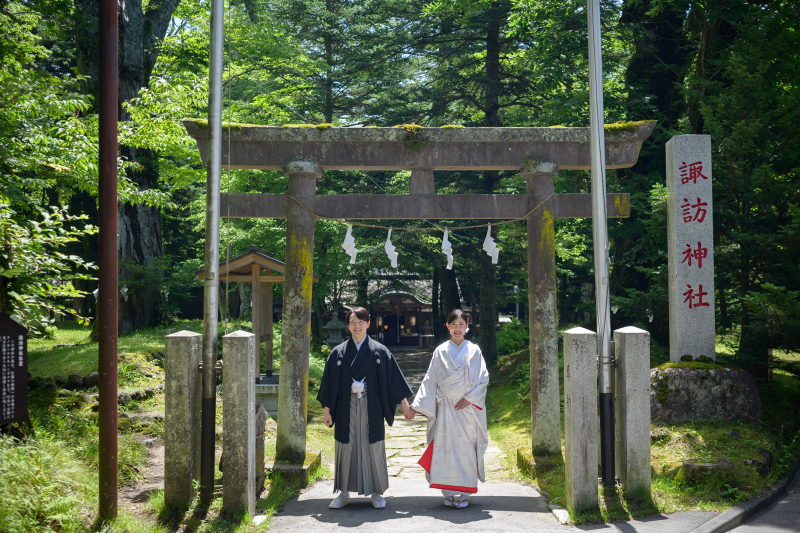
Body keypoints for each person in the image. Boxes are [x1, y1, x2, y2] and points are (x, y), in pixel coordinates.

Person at [317, 306, 414, 509]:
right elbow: (329, 383)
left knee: (373, 446)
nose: (357, 325)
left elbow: (393, 380)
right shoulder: (338, 352)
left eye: (361, 321)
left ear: (369, 323)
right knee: (345, 447)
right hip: (345, 407)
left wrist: (405, 405)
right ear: (348, 325)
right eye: (353, 322)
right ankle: (343, 493)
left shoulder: (380, 351)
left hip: (372, 407)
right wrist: (327, 411)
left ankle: (377, 493)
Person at [409, 309, 489, 509]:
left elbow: (483, 379)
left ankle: (464, 493)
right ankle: (448, 491)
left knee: (465, 449)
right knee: (445, 448)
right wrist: (417, 406)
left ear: (467, 326)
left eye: (461, 324)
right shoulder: (441, 351)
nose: (457, 328)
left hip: (466, 409)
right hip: (445, 407)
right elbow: (430, 379)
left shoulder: (474, 350)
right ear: (447, 326)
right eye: (453, 324)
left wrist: (470, 399)